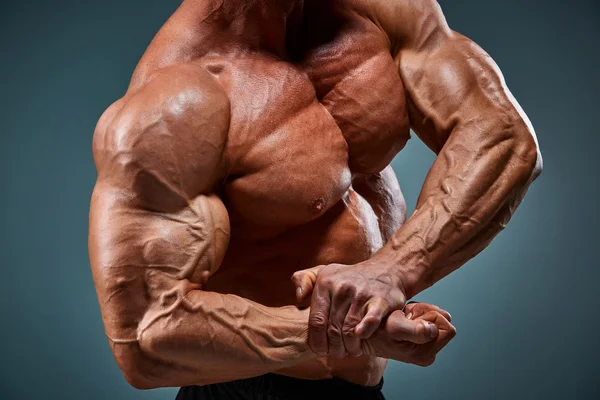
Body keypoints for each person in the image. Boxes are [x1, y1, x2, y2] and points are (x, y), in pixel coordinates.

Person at [88, 0, 543, 398]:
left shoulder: (381, 13)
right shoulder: (175, 103)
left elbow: (502, 137)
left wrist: (392, 272)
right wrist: (351, 331)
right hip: (247, 392)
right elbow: (145, 336)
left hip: (362, 387)